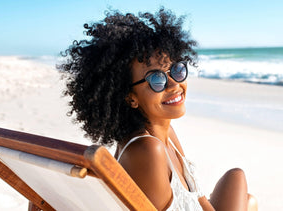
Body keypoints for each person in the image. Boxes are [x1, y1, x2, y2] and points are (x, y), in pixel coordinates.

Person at [59, 8, 257, 211]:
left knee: (240, 183)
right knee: (246, 196)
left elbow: (198, 199)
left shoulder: (166, 132)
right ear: (130, 97)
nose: (173, 85)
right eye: (156, 78)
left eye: (176, 70)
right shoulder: (147, 150)